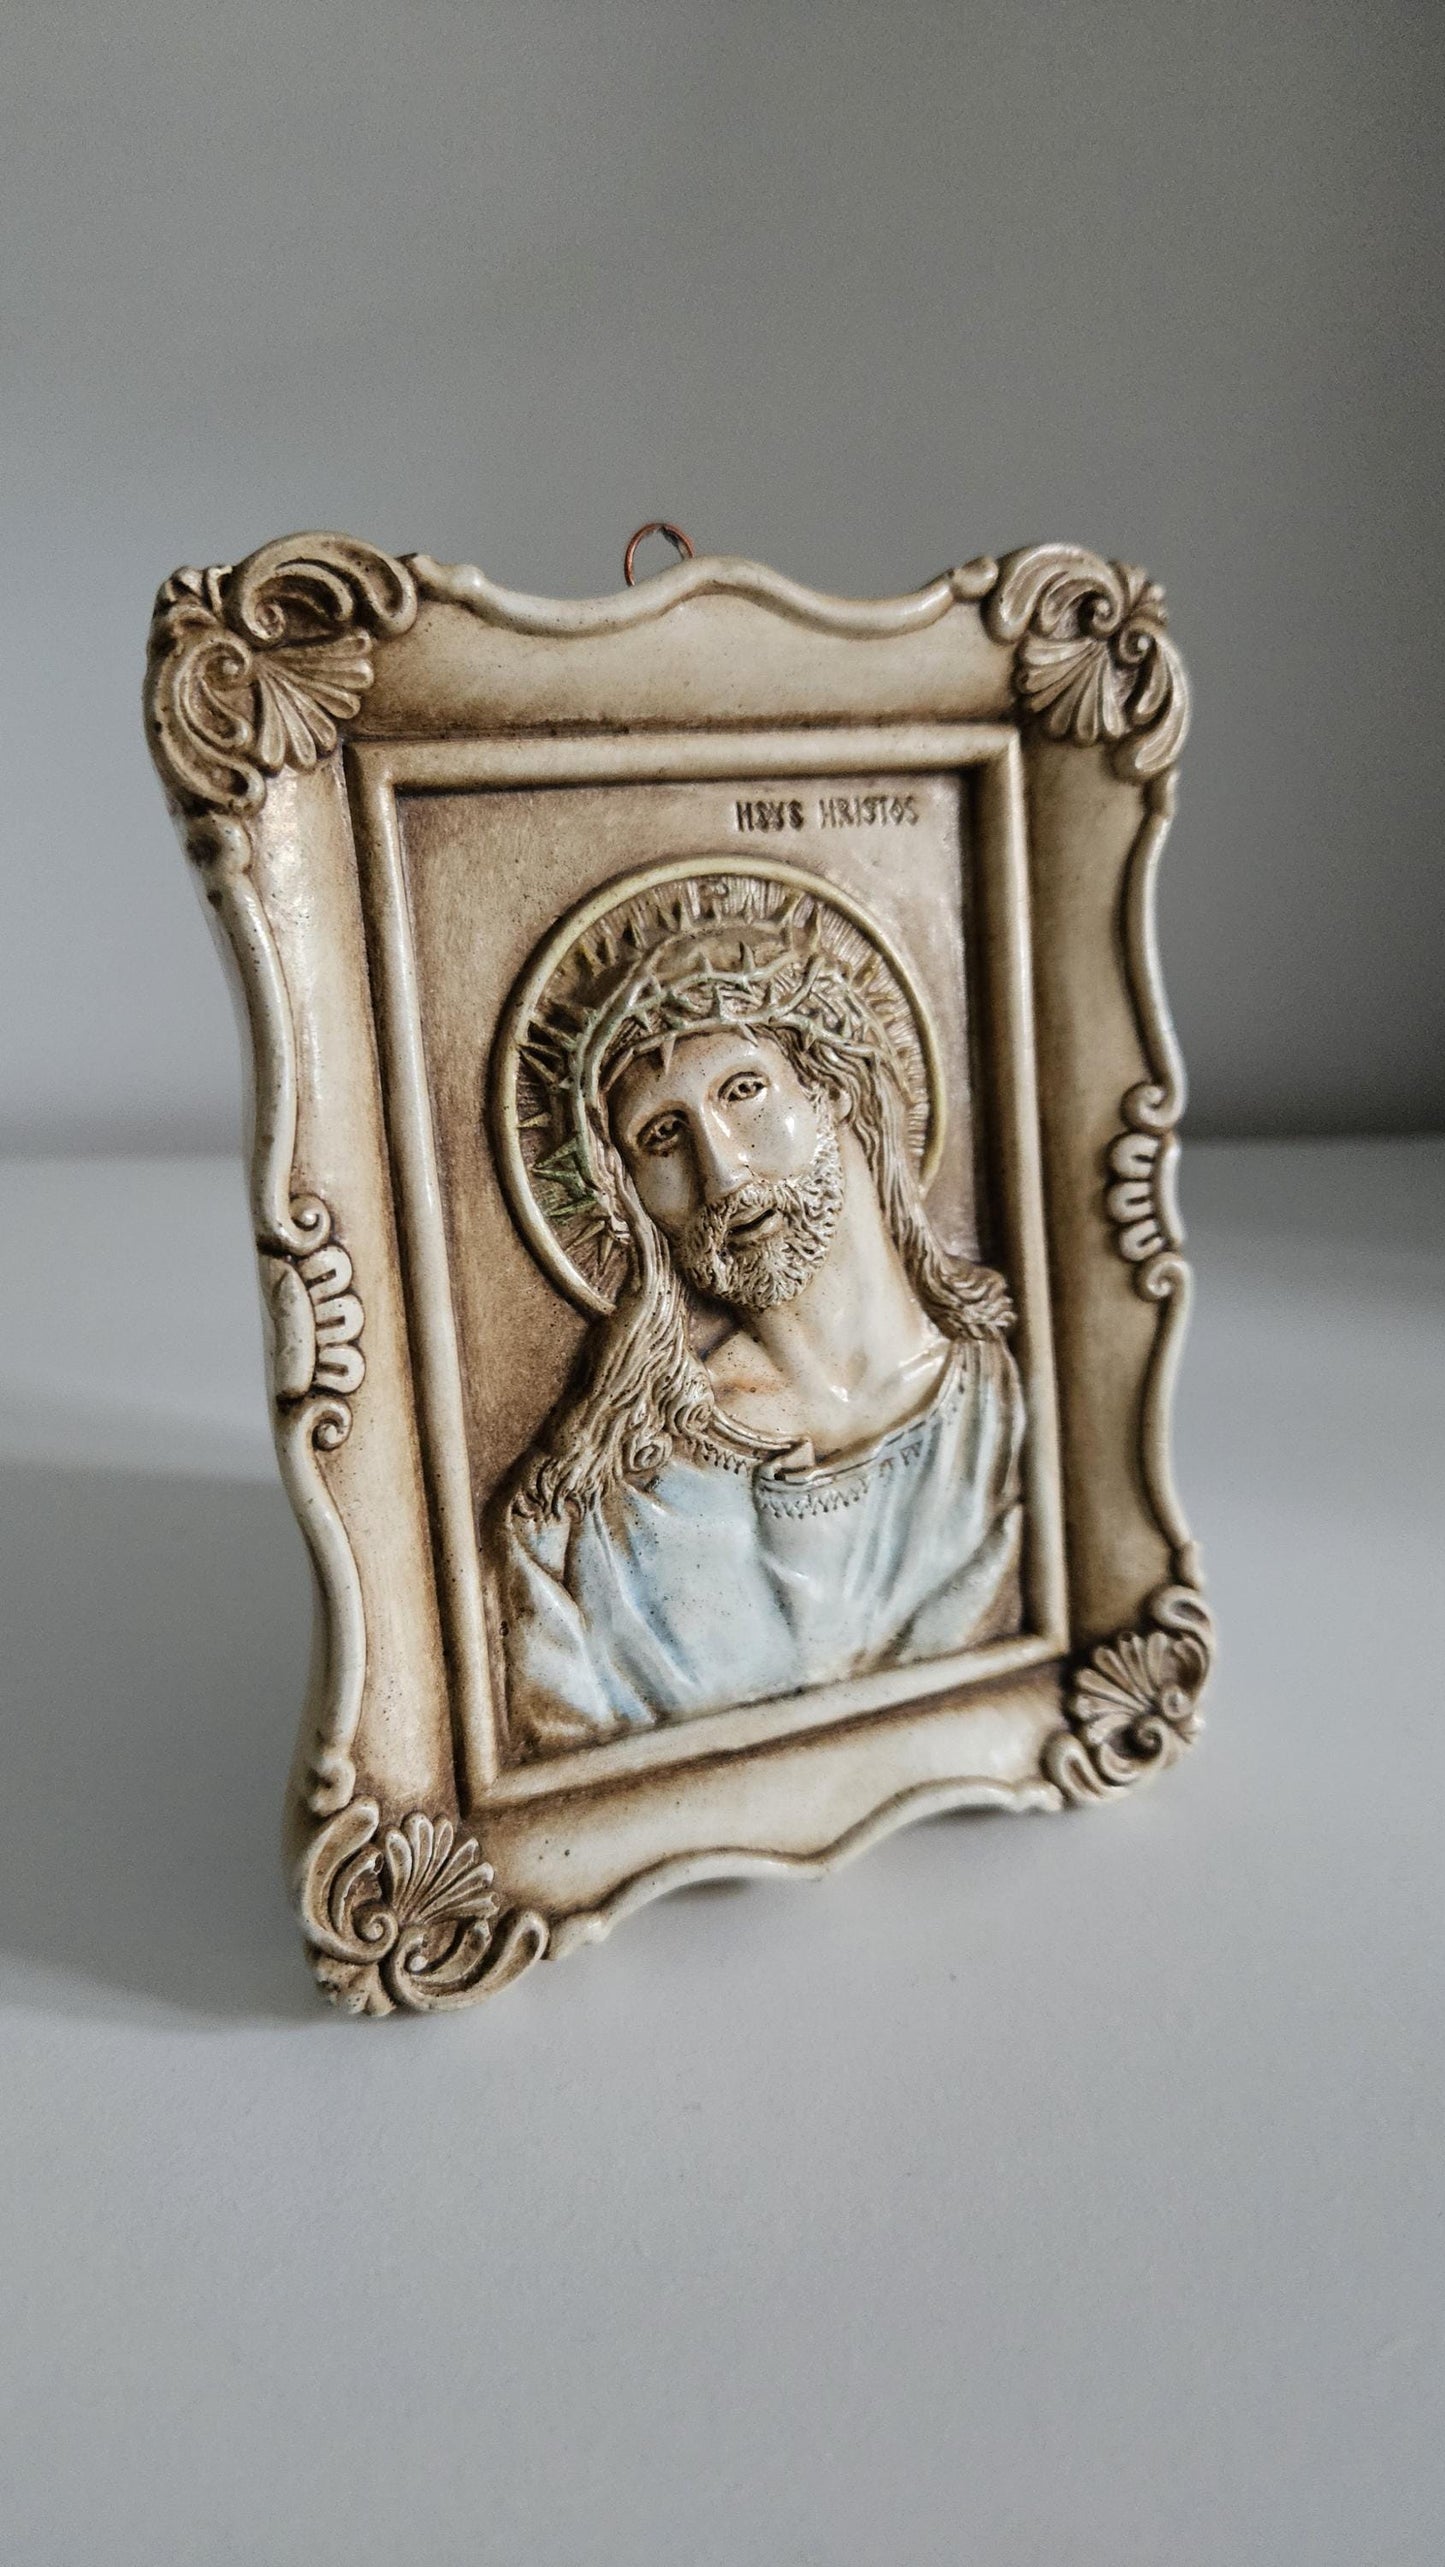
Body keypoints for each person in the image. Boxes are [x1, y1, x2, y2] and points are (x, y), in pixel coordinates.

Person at [493, 873, 1025, 1756]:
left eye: (742, 1090)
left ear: (830, 1086)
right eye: (662, 1135)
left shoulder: (1012, 1413)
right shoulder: (598, 1521)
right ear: (628, 1197)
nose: (722, 1172)